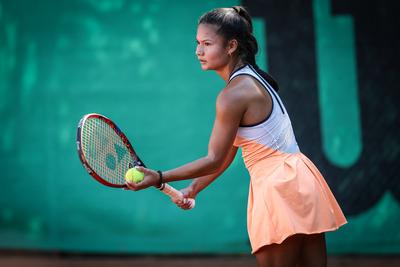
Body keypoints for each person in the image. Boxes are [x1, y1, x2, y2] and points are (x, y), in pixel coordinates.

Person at [126, 6, 347, 267]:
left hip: (279, 188)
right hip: (298, 180)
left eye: (207, 43)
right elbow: (228, 154)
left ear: (231, 46)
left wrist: (159, 177)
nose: (199, 51)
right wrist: (194, 188)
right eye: (197, 43)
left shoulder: (233, 94)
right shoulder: (252, 79)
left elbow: (214, 158)